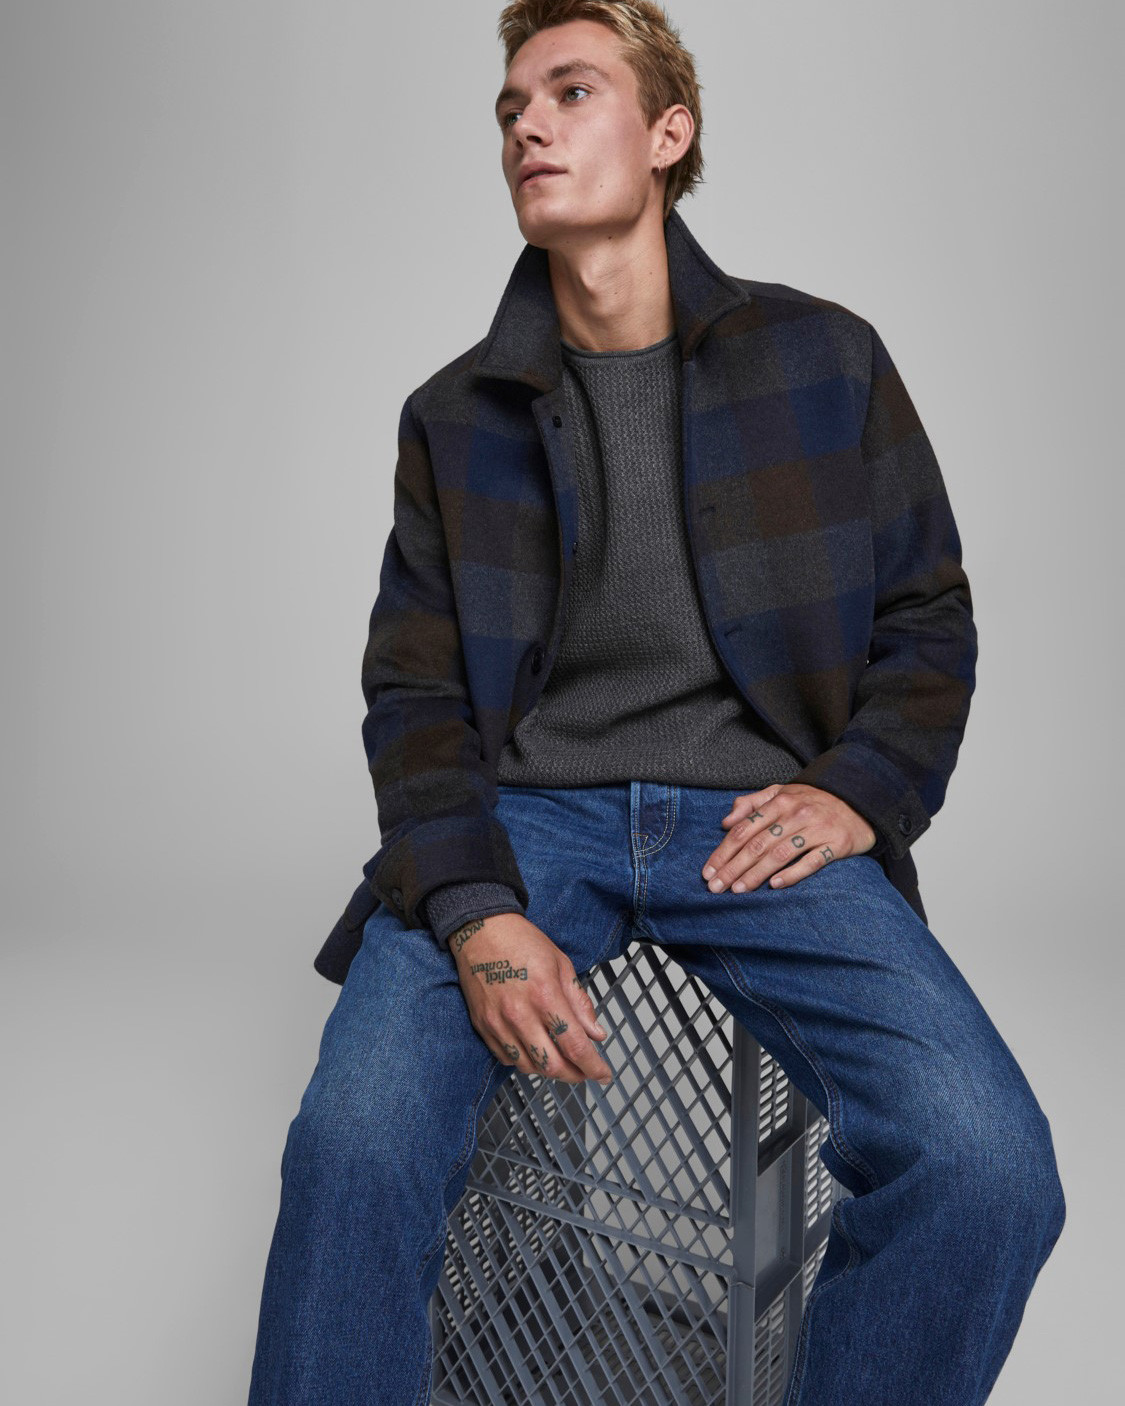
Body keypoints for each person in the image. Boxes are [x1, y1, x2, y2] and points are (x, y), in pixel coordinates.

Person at [247, 4, 1066, 1403]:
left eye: (570, 91)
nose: (527, 123)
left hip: (755, 822)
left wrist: (858, 789)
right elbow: (414, 692)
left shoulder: (825, 360)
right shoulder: (454, 415)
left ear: (668, 133)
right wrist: (474, 912)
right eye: (510, 106)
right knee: (354, 1146)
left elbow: (927, 614)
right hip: (522, 823)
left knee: (985, 1165)